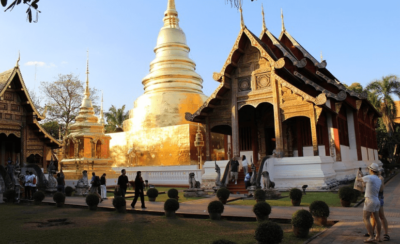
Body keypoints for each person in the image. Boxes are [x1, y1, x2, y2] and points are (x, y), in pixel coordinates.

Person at [358, 163, 382, 243]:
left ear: (371, 170)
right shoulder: (379, 179)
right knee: (377, 219)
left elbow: (359, 179)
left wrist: (359, 173)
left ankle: (371, 236)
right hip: (377, 200)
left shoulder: (369, 177)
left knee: (365, 218)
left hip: (369, 200)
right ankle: (378, 236)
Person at [370, 171, 390, 241]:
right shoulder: (372, 178)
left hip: (378, 198)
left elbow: (381, 189)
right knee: (373, 217)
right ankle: (371, 232)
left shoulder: (380, 178)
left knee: (381, 216)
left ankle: (386, 234)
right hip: (373, 199)